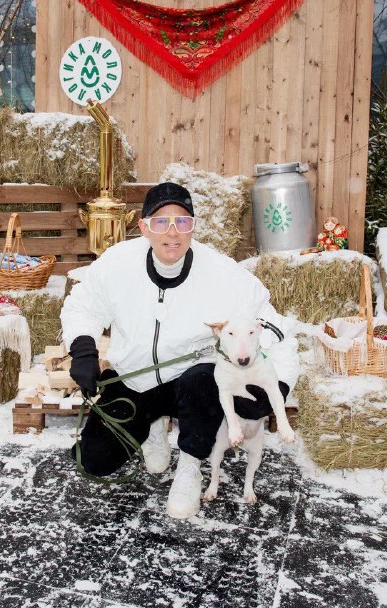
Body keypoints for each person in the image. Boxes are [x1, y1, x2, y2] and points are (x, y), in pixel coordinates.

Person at [61, 182, 299, 519]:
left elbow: (276, 329)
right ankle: (152, 428)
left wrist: (281, 385)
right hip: (135, 380)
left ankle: (190, 465)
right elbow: (82, 307)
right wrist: (83, 349)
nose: (172, 232)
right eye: (161, 222)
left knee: (206, 378)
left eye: (182, 221)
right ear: (143, 227)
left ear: (193, 226)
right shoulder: (117, 264)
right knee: (95, 460)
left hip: (190, 382)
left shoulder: (222, 273)